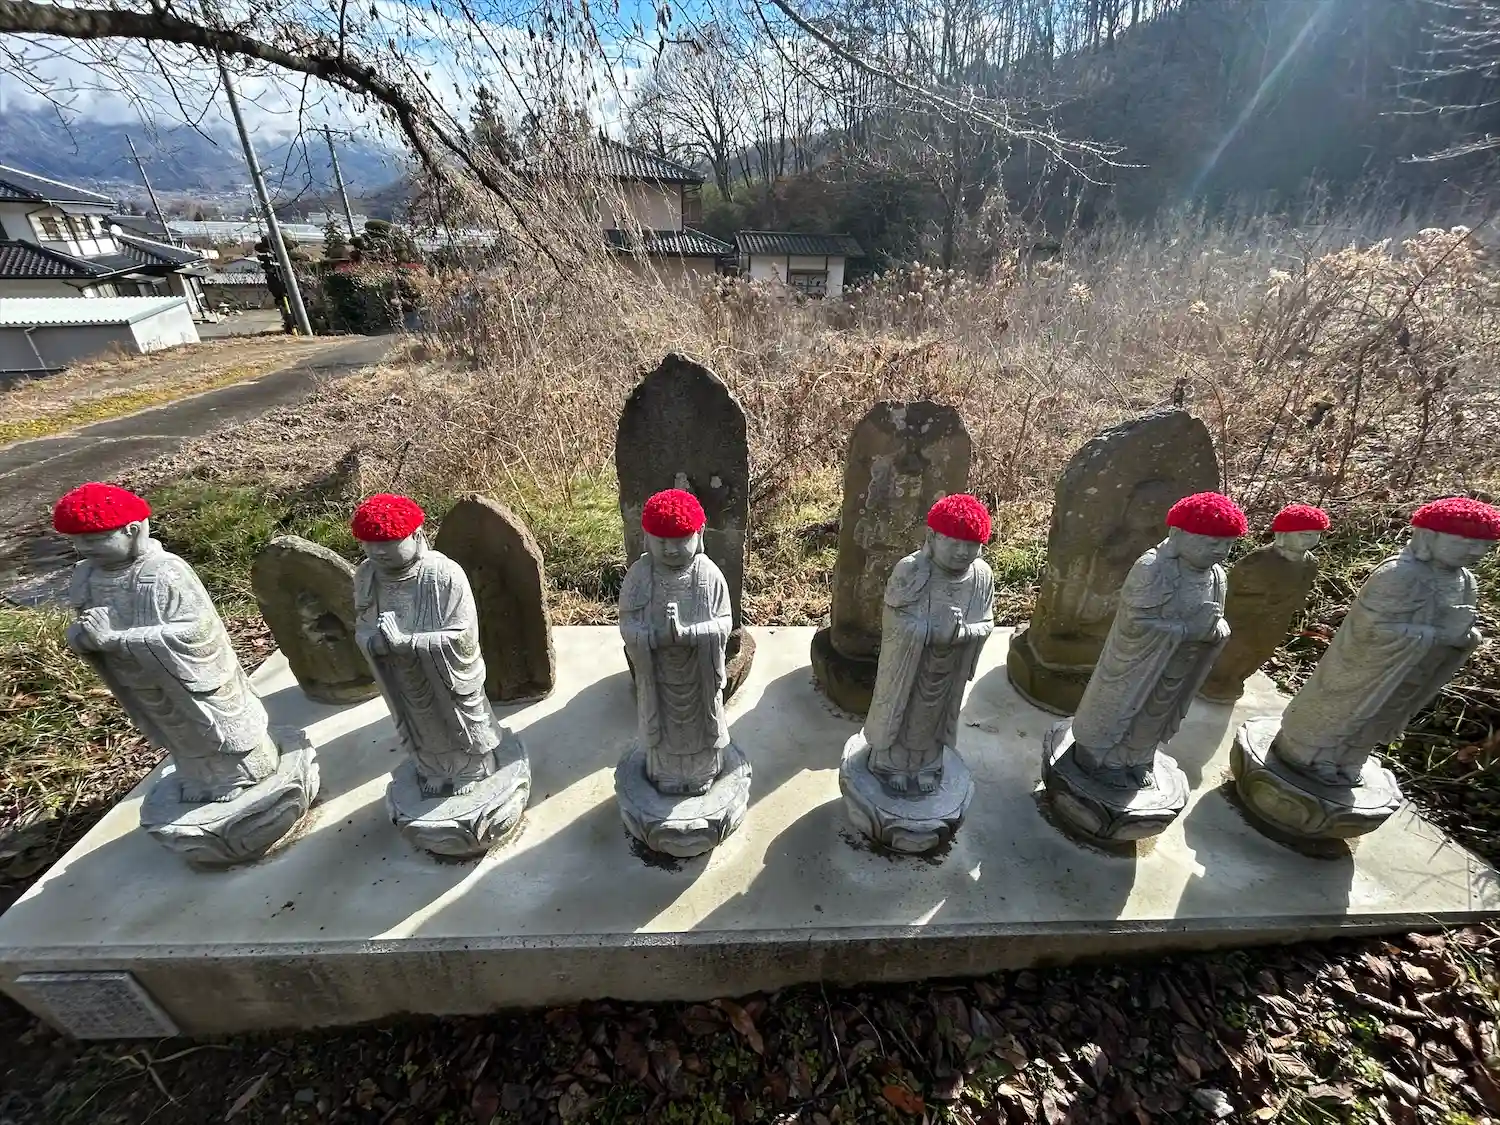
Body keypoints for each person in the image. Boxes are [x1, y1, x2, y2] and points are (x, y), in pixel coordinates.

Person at [55, 482, 277, 803]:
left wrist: (119, 639)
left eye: (93, 539)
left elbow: (198, 630)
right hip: (139, 678)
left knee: (214, 728)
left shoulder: (164, 572)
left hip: (187, 676)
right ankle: (200, 778)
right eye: (75, 540)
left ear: (132, 531)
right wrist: (84, 638)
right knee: (178, 733)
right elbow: (86, 625)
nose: (83, 548)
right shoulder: (86, 577)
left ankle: (245, 774)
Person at [1274, 496, 1500, 785]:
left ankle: (1352, 757)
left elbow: (1460, 624)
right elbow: (1370, 629)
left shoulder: (1466, 581)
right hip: (1369, 668)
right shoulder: (1399, 573)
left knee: (1383, 715)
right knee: (1346, 711)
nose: (1475, 551)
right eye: (1465, 542)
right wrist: (1437, 635)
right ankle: (1311, 754)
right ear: (1428, 536)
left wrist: (1467, 638)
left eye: (1484, 546)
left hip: (1413, 669)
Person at [1071, 492, 1246, 787]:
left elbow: (1215, 619)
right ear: (1177, 534)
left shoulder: (1217, 576)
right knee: (1123, 710)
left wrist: (1216, 631)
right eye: (1211, 542)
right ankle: (1103, 758)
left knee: (1156, 714)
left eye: (1227, 544)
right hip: (1137, 665)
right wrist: (1185, 631)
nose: (1220, 551)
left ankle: (1137, 757)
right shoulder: (1152, 568)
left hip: (1179, 665)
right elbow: (1133, 623)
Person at [352, 493, 500, 797]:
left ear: (416, 535)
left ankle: (472, 768)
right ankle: (433, 768)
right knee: (420, 723)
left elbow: (463, 634)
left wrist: (409, 642)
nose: (377, 552)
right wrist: (377, 642)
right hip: (399, 672)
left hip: (445, 672)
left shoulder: (444, 574)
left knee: (457, 717)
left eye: (388, 543)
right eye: (369, 544)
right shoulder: (366, 576)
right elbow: (363, 627)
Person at [863, 494, 995, 795]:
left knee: (937, 716)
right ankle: (892, 764)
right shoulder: (911, 570)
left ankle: (927, 765)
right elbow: (895, 619)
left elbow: (986, 623)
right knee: (903, 709)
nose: (962, 552)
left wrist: (962, 633)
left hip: (950, 666)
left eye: (971, 545)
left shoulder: (981, 577)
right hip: (910, 664)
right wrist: (930, 630)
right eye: (954, 542)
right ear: (933, 537)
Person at [619, 488, 733, 796]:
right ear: (646, 538)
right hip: (659, 675)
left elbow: (724, 622)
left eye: (680, 540)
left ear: (700, 533)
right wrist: (655, 637)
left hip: (698, 675)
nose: (670, 549)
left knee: (700, 726)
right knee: (663, 729)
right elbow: (628, 624)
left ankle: (702, 772)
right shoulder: (639, 576)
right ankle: (666, 772)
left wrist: (689, 634)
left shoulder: (708, 575)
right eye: (661, 541)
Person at [1200, 504, 1329, 703]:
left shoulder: (1310, 562)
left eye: (1315, 535)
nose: (1310, 540)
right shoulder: (1258, 561)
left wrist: (1294, 602)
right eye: (1303, 534)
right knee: (1232, 651)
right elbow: (1235, 590)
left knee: (1260, 652)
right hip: (1246, 620)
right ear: (1282, 535)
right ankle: (1212, 681)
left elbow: (1304, 587)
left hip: (1277, 622)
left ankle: (1235, 680)